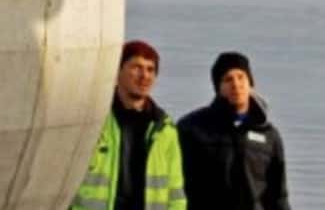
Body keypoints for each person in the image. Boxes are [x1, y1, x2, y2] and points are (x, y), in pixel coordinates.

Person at [72, 40, 188, 210]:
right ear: (117, 70)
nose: (144, 76)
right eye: (136, 67)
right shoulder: (92, 121)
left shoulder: (165, 129)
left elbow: (176, 192)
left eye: (150, 69)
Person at [177, 51, 291, 210]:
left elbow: (278, 196)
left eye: (241, 77)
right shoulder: (192, 128)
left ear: (250, 83)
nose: (236, 84)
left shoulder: (269, 135)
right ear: (218, 87)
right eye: (228, 79)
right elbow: (177, 187)